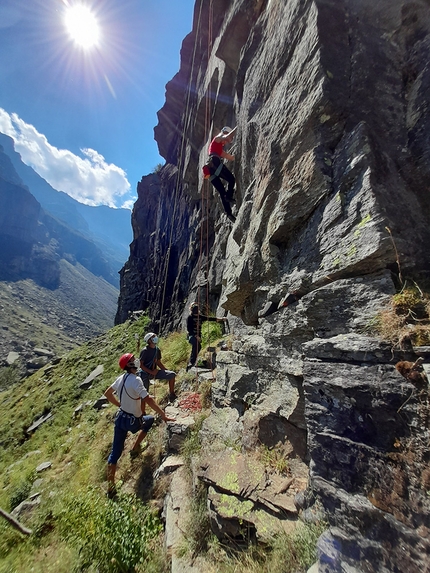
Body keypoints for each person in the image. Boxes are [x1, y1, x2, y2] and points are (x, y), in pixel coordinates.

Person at [104, 353, 175, 498]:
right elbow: (147, 399)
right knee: (148, 420)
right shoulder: (136, 380)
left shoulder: (120, 378)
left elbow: (107, 393)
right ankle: (135, 447)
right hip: (133, 421)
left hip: (120, 418)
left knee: (114, 454)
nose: (136, 361)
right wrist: (163, 414)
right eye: (132, 360)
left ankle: (110, 489)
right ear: (129, 365)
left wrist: (120, 404)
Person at [202, 126, 238, 222]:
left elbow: (230, 157)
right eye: (228, 139)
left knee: (222, 192)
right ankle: (229, 196)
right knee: (231, 180)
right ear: (224, 133)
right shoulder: (217, 138)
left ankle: (229, 214)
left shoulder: (217, 149)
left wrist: (236, 157)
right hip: (215, 163)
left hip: (211, 170)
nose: (227, 141)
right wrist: (238, 128)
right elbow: (226, 137)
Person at [186, 303, 226, 371]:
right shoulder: (190, 317)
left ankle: (192, 363)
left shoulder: (200, 317)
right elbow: (189, 329)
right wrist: (196, 336)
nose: (197, 311)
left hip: (197, 336)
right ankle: (191, 363)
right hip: (192, 336)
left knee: (198, 347)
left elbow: (210, 318)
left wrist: (221, 319)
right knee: (196, 344)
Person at [139, 332, 177, 402]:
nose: (155, 338)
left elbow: (158, 362)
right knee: (144, 394)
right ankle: (142, 410)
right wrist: (151, 372)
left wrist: (165, 371)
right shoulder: (145, 351)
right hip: (144, 373)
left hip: (154, 372)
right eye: (153, 337)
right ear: (149, 340)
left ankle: (171, 394)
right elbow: (141, 365)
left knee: (172, 375)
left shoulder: (157, 350)